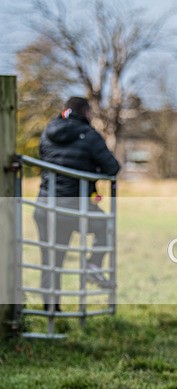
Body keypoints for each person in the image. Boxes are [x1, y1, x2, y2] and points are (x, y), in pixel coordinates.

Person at [34, 96, 120, 312]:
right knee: (106, 225)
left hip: (45, 205)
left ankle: (51, 312)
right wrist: (91, 173)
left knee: (51, 260)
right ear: (87, 113)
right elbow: (112, 167)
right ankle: (93, 265)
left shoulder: (48, 132)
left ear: (65, 110)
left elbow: (44, 159)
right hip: (74, 204)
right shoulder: (90, 136)